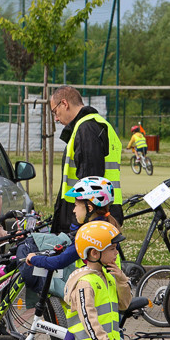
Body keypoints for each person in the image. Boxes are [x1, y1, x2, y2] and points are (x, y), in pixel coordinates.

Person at [27, 176, 121, 340]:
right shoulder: (108, 225)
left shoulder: (89, 234)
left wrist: (34, 257)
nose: (73, 210)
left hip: (94, 309)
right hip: (110, 303)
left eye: (77, 205)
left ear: (90, 207)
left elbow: (60, 261)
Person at [50, 85, 123, 233]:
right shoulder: (96, 124)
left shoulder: (86, 129)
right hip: (101, 209)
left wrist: (81, 221)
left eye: (55, 112)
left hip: (89, 215)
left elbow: (89, 181)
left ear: (64, 104)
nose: (56, 118)